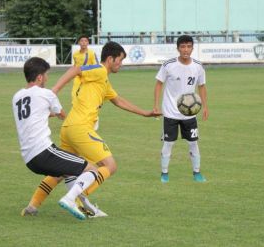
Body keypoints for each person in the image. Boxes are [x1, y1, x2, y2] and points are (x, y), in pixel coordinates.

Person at [21, 41, 161, 217]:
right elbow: (76, 69)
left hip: (69, 127)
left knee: (60, 172)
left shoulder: (104, 80)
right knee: (109, 165)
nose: (121, 64)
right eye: (120, 60)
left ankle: (33, 206)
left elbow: (118, 101)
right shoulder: (100, 70)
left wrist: (145, 113)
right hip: (80, 127)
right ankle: (76, 198)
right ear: (110, 59)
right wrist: (54, 90)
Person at [12, 57, 99, 220]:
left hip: (29, 159)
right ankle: (70, 200)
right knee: (92, 169)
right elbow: (62, 115)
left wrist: (47, 113)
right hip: (44, 152)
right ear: (39, 77)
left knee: (66, 171)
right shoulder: (47, 94)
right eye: (46, 75)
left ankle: (33, 207)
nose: (47, 78)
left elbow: (34, 113)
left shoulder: (17, 97)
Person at [153, 35, 209, 183]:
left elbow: (202, 86)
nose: (186, 49)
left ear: (192, 48)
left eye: (189, 46)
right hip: (170, 112)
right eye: (183, 46)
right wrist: (156, 105)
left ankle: (197, 172)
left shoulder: (198, 66)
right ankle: (164, 173)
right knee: (168, 143)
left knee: (193, 142)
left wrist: (205, 106)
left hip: (190, 114)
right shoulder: (168, 65)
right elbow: (159, 84)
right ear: (178, 48)